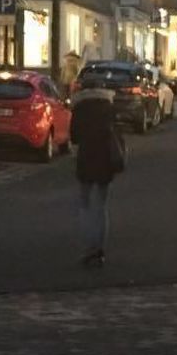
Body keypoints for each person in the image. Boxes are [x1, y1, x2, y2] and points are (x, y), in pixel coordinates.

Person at [69, 91, 124, 267]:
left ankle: (88, 247)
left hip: (86, 159)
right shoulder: (110, 109)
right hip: (105, 161)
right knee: (101, 205)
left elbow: (74, 137)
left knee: (84, 204)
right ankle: (99, 248)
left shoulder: (80, 110)